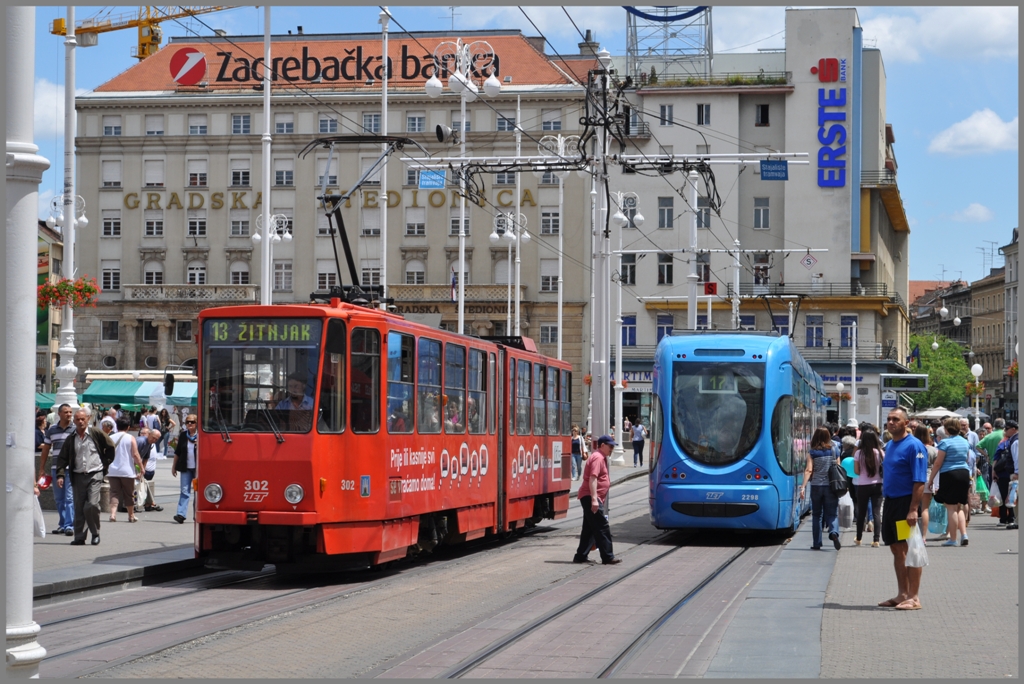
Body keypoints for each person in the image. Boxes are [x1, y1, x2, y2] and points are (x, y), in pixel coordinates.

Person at [877, 408, 927, 611]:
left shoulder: (914, 446)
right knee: (897, 549)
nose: (890, 422)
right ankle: (902, 594)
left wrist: (913, 509)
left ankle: (914, 597)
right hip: (890, 502)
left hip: (906, 503)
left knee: (911, 550)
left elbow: (919, 480)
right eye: (889, 419)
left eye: (895, 419)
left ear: (906, 423)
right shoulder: (889, 445)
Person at [54, 408, 115, 546]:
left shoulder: (96, 433)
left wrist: (105, 463)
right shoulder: (71, 438)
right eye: (78, 419)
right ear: (74, 421)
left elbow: (111, 446)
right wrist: (60, 475)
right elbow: (62, 458)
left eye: (83, 419)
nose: (80, 422)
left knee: (92, 504)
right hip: (77, 475)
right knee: (79, 506)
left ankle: (95, 533)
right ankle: (80, 537)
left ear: (88, 419)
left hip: (95, 473)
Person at [573, 435, 622, 565]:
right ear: (602, 445)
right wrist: (594, 499)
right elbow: (593, 478)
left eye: (613, 446)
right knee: (602, 527)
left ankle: (580, 556)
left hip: (591, 496)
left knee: (589, 528)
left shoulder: (601, 457)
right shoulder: (598, 458)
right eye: (610, 446)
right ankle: (608, 556)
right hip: (590, 497)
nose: (612, 449)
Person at [800, 427, 842, 550]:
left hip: (816, 486)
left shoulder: (812, 452)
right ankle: (833, 532)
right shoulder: (835, 450)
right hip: (831, 487)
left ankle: (817, 543)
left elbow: (809, 470)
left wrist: (803, 487)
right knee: (832, 513)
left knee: (817, 515)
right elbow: (838, 467)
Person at [37, 403, 76, 536]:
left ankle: (69, 525)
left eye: (70, 412)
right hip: (55, 468)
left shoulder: (75, 429)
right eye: (66, 412)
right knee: (59, 498)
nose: (69, 414)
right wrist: (41, 468)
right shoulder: (52, 429)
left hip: (71, 468)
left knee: (69, 498)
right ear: (59, 414)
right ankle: (63, 523)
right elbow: (46, 449)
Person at [107, 418, 144, 523]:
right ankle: (131, 516)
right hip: (127, 471)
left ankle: (113, 514)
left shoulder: (110, 437)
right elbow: (135, 454)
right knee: (129, 493)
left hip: (112, 470)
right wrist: (141, 468)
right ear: (128, 427)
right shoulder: (130, 438)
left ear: (117, 426)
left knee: (114, 492)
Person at [853, 429, 884, 547]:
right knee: (876, 512)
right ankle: (876, 540)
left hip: (863, 485)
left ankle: (859, 538)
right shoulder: (880, 453)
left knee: (861, 513)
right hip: (878, 485)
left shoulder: (858, 453)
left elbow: (856, 471)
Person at [171, 413, 199, 524]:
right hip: (186, 468)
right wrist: (174, 467)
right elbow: (178, 452)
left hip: (198, 469)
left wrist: (200, 444)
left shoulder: (201, 435)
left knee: (198, 492)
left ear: (197, 423)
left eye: (192, 422)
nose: (190, 424)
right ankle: (181, 514)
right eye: (188, 422)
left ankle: (197, 514)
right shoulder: (183, 435)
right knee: (184, 491)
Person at [915, 424, 939, 542]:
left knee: (911, 508)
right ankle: (923, 537)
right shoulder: (933, 450)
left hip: (913, 479)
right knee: (925, 508)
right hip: (928, 479)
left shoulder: (912, 447)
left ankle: (910, 535)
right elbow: (937, 466)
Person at [992, 420, 1018, 528]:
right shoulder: (1010, 441)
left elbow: (996, 459)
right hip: (1007, 473)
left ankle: (1005, 518)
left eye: (1006, 429)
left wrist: (994, 471)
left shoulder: (1005, 443)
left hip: (1005, 473)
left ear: (1013, 429)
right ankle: (1011, 518)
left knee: (1005, 496)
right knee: (1012, 496)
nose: (1005, 431)